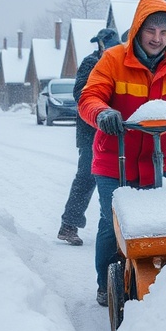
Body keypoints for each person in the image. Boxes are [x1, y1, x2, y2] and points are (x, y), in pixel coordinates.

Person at [78, 0, 166, 306]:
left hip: (160, 159)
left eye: (164, 32)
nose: (157, 38)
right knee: (113, 224)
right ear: (139, 29)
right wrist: (102, 113)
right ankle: (106, 284)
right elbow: (90, 97)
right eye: (151, 30)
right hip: (115, 159)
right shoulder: (113, 59)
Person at [57, 27, 122, 246]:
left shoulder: (119, 63)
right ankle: (68, 225)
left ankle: (121, 227)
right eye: (108, 46)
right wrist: (101, 105)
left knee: (119, 178)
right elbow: (80, 93)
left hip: (113, 130)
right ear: (100, 45)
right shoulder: (90, 63)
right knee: (87, 177)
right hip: (91, 130)